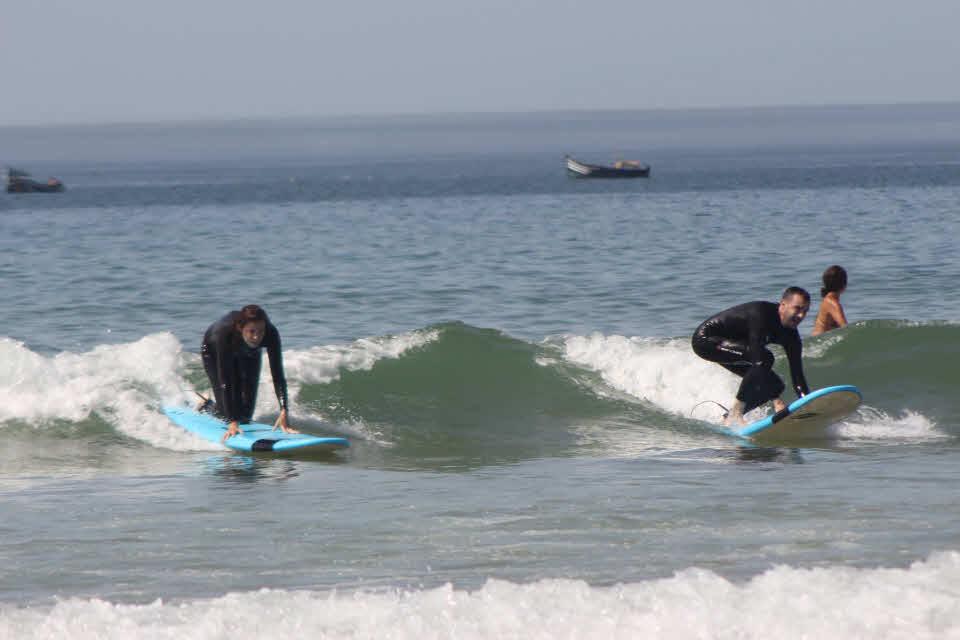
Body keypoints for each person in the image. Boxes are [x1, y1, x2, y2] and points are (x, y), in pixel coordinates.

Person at [691, 287, 812, 426]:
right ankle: (737, 411)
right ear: (783, 305)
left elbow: (798, 377)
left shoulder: (792, 336)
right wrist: (777, 401)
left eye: (805, 311)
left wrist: (808, 404)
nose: (801, 315)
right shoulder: (762, 315)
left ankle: (728, 418)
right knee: (765, 359)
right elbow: (757, 358)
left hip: (732, 346)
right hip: (706, 340)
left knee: (776, 385)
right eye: (797, 309)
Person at [198, 304, 297, 441]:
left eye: (260, 331)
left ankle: (234, 417)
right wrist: (232, 422)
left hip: (249, 351)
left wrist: (284, 411)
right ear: (240, 328)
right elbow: (225, 382)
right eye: (251, 331)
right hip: (213, 351)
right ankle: (206, 405)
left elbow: (278, 375)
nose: (257, 337)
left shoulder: (270, 333)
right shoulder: (225, 334)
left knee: (245, 416)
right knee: (228, 414)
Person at [811, 265, 848, 335]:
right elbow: (846, 328)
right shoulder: (833, 303)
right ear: (844, 285)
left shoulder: (827, 300)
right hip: (818, 342)